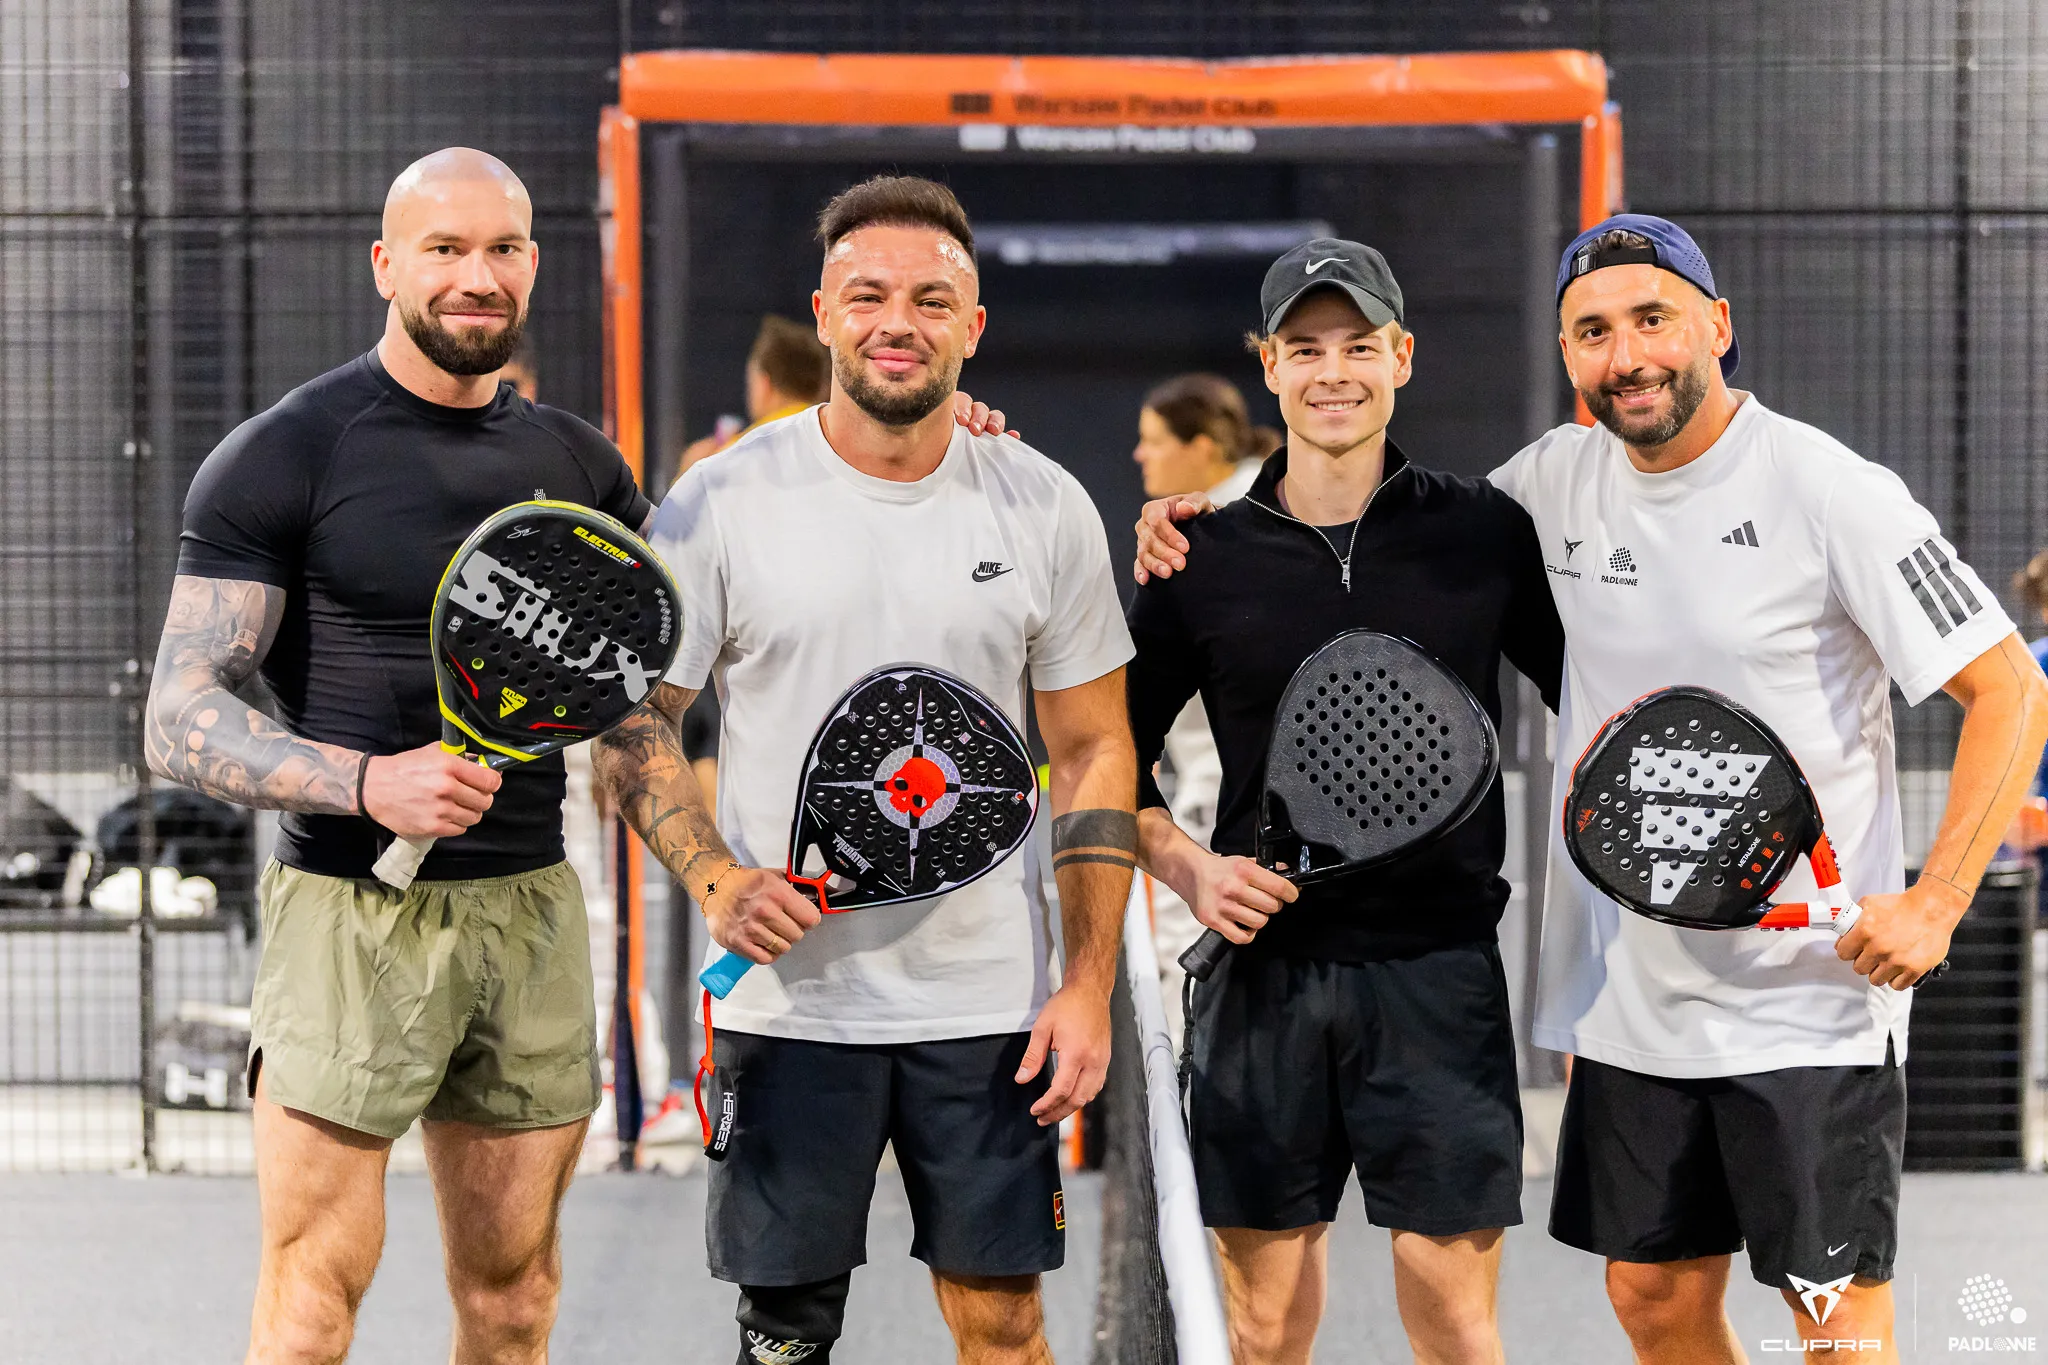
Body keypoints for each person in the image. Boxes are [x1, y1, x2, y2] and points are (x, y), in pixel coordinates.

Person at [1134, 214, 2048, 1365]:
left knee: (1835, 1324)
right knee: (1650, 1303)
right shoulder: (1541, 492)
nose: (1627, 356)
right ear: (1567, 356)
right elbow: (1356, 542)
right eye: (1593, 332)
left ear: (1716, 324)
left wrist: (1935, 900)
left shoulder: (1829, 490)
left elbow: (2010, 689)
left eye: (1652, 320)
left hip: (1803, 996)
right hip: (1631, 1003)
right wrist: (1186, 521)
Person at [596, 175, 1137, 1365]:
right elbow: (638, 726)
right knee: (785, 1332)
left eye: (931, 299)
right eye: (869, 296)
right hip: (789, 1005)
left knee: (1002, 1324)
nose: (899, 320)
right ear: (825, 315)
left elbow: (1097, 747)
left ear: (971, 325)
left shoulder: (1042, 504)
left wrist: (1088, 982)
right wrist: (715, 882)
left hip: (990, 1007)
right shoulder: (721, 502)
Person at [146, 148, 651, 1365]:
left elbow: (635, 699)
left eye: (503, 250)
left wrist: (959, 421)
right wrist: (367, 783)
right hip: (347, 918)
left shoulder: (583, 470)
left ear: (532, 265)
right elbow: (175, 711)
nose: (476, 276)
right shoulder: (287, 451)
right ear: (386, 263)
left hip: (528, 914)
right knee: (314, 1301)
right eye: (445, 248)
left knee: (515, 1297)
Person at [1125, 240, 1563, 1365]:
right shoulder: (1198, 556)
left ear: (1401, 358)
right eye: (1305, 349)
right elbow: (1098, 763)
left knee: (1457, 1326)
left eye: (1358, 347)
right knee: (1262, 1331)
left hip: (1438, 977)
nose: (1333, 373)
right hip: (1260, 980)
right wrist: (1187, 867)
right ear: (1266, 366)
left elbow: (1592, 696)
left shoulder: (1485, 532)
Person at [1125, 374, 1277, 1039]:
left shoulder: (1220, 531)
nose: (1138, 454)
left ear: (1204, 444)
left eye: (1154, 440)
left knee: (1193, 1025)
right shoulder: (1203, 523)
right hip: (1225, 820)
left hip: (1228, 827)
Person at [676, 312, 833, 475]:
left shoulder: (729, 456)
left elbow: (681, 500)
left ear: (764, 384)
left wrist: (690, 471)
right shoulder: (839, 446)